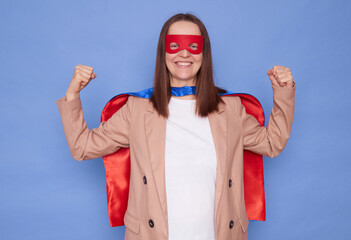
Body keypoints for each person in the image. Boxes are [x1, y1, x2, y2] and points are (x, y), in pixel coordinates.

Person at [56, 13, 295, 240]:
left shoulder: (230, 109)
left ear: (204, 53)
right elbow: (82, 147)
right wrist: (72, 95)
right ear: (163, 52)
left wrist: (283, 92)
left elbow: (272, 143)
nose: (184, 53)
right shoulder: (136, 110)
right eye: (174, 45)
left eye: (193, 46)